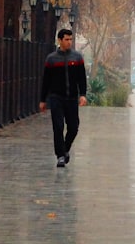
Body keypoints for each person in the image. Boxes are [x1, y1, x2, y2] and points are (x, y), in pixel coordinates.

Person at [40, 28, 88, 168]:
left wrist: (83, 94)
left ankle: (65, 148)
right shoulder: (52, 59)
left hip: (72, 98)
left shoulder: (77, 58)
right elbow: (46, 81)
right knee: (58, 126)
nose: (69, 42)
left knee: (73, 127)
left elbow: (81, 78)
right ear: (59, 40)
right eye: (66, 39)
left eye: (70, 39)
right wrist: (43, 100)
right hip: (56, 98)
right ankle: (60, 155)